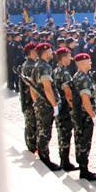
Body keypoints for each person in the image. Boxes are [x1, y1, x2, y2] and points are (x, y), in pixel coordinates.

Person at [31, 43, 62, 171]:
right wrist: (54, 105)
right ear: (44, 53)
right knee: (45, 132)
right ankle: (45, 159)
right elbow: (47, 88)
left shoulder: (37, 66)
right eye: (50, 51)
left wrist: (36, 101)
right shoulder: (44, 68)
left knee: (41, 130)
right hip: (46, 106)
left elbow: (32, 87)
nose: (52, 53)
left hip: (40, 104)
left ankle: (43, 156)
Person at [71, 53, 96, 181]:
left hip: (78, 115)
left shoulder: (77, 76)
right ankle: (84, 169)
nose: (90, 63)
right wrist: (93, 116)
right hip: (84, 116)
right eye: (88, 61)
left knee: (79, 141)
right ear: (82, 63)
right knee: (84, 142)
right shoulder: (84, 78)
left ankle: (83, 167)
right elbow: (85, 99)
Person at [52, 47, 79, 172]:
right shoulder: (64, 73)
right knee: (66, 134)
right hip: (65, 108)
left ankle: (64, 159)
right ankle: (65, 162)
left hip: (60, 107)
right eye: (69, 56)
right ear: (63, 57)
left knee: (62, 134)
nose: (70, 58)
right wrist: (75, 109)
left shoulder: (56, 70)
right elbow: (68, 93)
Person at [19, 42, 39, 153]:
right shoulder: (30, 66)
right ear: (32, 52)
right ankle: (32, 146)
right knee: (32, 123)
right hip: (30, 99)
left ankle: (31, 145)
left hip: (28, 99)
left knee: (30, 123)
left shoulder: (28, 64)